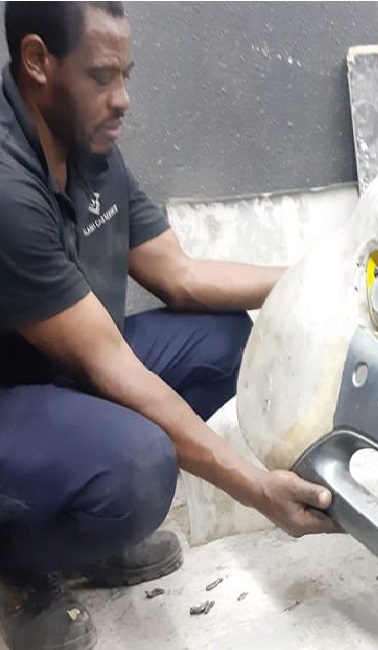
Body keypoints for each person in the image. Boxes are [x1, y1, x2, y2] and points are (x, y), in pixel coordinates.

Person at [0, 3, 342, 649]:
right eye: (101, 77)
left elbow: (179, 275)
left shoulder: (86, 141)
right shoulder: (7, 186)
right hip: (11, 397)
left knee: (226, 342)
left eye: (125, 75)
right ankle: (19, 567)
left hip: (66, 365)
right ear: (38, 61)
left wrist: (322, 272)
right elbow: (109, 364)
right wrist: (257, 490)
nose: (122, 99)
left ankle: (90, 535)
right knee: (140, 466)